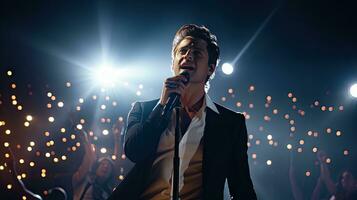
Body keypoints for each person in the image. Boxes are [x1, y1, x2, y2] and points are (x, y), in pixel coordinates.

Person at [109, 24, 257, 200]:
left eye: (196, 53)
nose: (188, 55)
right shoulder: (142, 110)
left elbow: (242, 188)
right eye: (183, 51)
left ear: (210, 68)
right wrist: (162, 106)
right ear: (173, 63)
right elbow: (134, 152)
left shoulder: (230, 123)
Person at [72, 119, 124, 200]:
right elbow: (88, 160)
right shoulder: (83, 180)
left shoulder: (109, 187)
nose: (106, 167)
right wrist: (86, 141)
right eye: (102, 164)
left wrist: (117, 138)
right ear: (96, 168)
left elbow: (118, 163)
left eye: (109, 166)